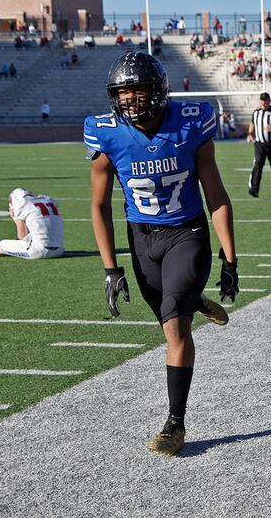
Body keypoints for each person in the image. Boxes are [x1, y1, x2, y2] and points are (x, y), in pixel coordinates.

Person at [84, 52, 237, 457]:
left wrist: (230, 256)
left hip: (186, 233)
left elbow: (215, 194)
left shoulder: (190, 121)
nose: (129, 100)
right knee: (171, 313)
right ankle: (193, 299)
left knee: (175, 329)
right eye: (122, 92)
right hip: (142, 240)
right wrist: (110, 268)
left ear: (159, 91)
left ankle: (175, 423)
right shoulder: (107, 133)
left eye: (137, 90)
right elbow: (99, 205)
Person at [246, 92, 271, 197]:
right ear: (260, 101)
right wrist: (250, 133)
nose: (264, 102)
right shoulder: (256, 113)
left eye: (266, 100)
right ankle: (254, 189)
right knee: (258, 165)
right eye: (262, 100)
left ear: (269, 101)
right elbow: (252, 123)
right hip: (259, 144)